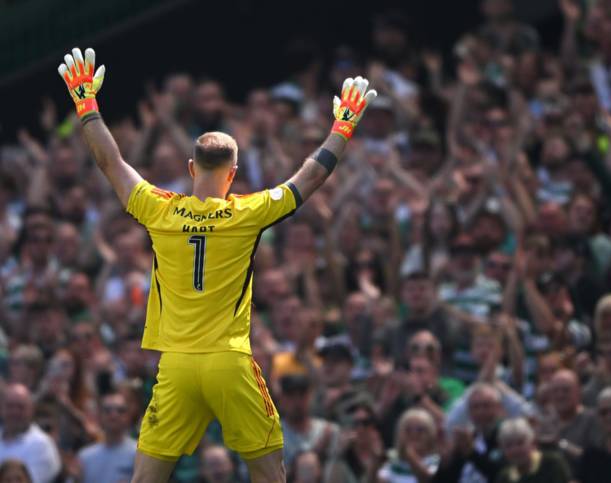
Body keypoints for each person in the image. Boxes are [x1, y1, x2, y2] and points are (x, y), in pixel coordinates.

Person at [57, 47, 377, 482]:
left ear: (191, 168)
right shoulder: (249, 211)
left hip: (178, 365)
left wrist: (87, 106)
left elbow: (110, 162)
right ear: (234, 173)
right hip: (229, 362)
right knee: (269, 474)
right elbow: (311, 177)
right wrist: (343, 126)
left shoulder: (160, 210)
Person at [0, 384, 60, 483]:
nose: (15, 412)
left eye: (20, 407)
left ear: (31, 409)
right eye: (10, 406)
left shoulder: (41, 444)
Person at [76, 392, 137, 483]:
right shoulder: (85, 457)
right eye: (107, 410)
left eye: (120, 410)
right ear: (99, 416)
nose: (114, 415)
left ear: (128, 416)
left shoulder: (138, 453)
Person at [494, 417, 570, 483]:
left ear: (533, 442)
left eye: (520, 443)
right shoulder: (504, 478)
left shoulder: (553, 463)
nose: (515, 450)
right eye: (508, 445)